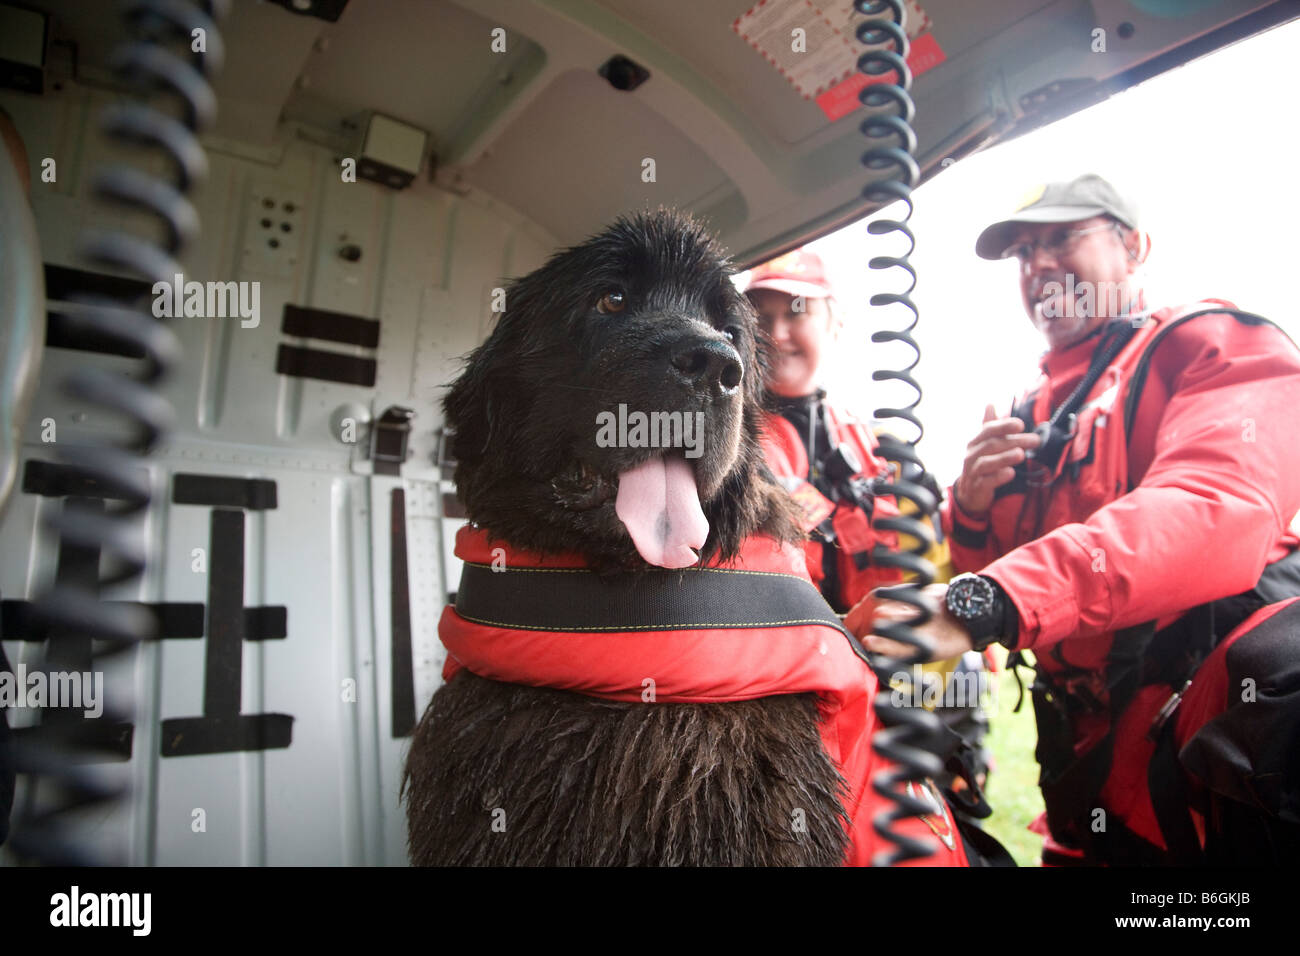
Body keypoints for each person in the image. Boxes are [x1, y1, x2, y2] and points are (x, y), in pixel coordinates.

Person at [859, 173, 1300, 864]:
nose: (1038, 265)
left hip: (1202, 739)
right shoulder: (1027, 410)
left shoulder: (1215, 345)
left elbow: (1216, 508)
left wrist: (989, 601)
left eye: (1063, 237)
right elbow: (985, 580)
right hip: (1073, 742)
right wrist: (971, 511)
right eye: (1024, 253)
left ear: (1134, 246)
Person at [746, 249, 994, 807]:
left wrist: (976, 503)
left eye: (797, 311)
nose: (777, 333)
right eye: (760, 318)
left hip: (928, 720)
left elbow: (949, 574)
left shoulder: (887, 450)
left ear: (836, 322)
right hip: (804, 728)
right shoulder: (721, 454)